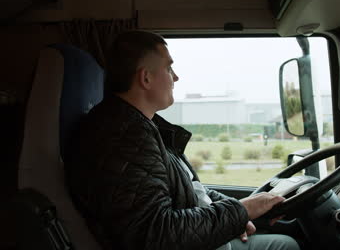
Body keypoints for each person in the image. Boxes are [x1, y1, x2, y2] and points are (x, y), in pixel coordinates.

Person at [66, 30, 301, 250]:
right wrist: (241, 211)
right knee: (286, 245)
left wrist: (244, 210)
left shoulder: (141, 126)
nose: (176, 77)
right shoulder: (123, 136)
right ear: (145, 78)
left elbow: (189, 188)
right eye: (169, 69)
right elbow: (155, 232)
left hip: (197, 235)